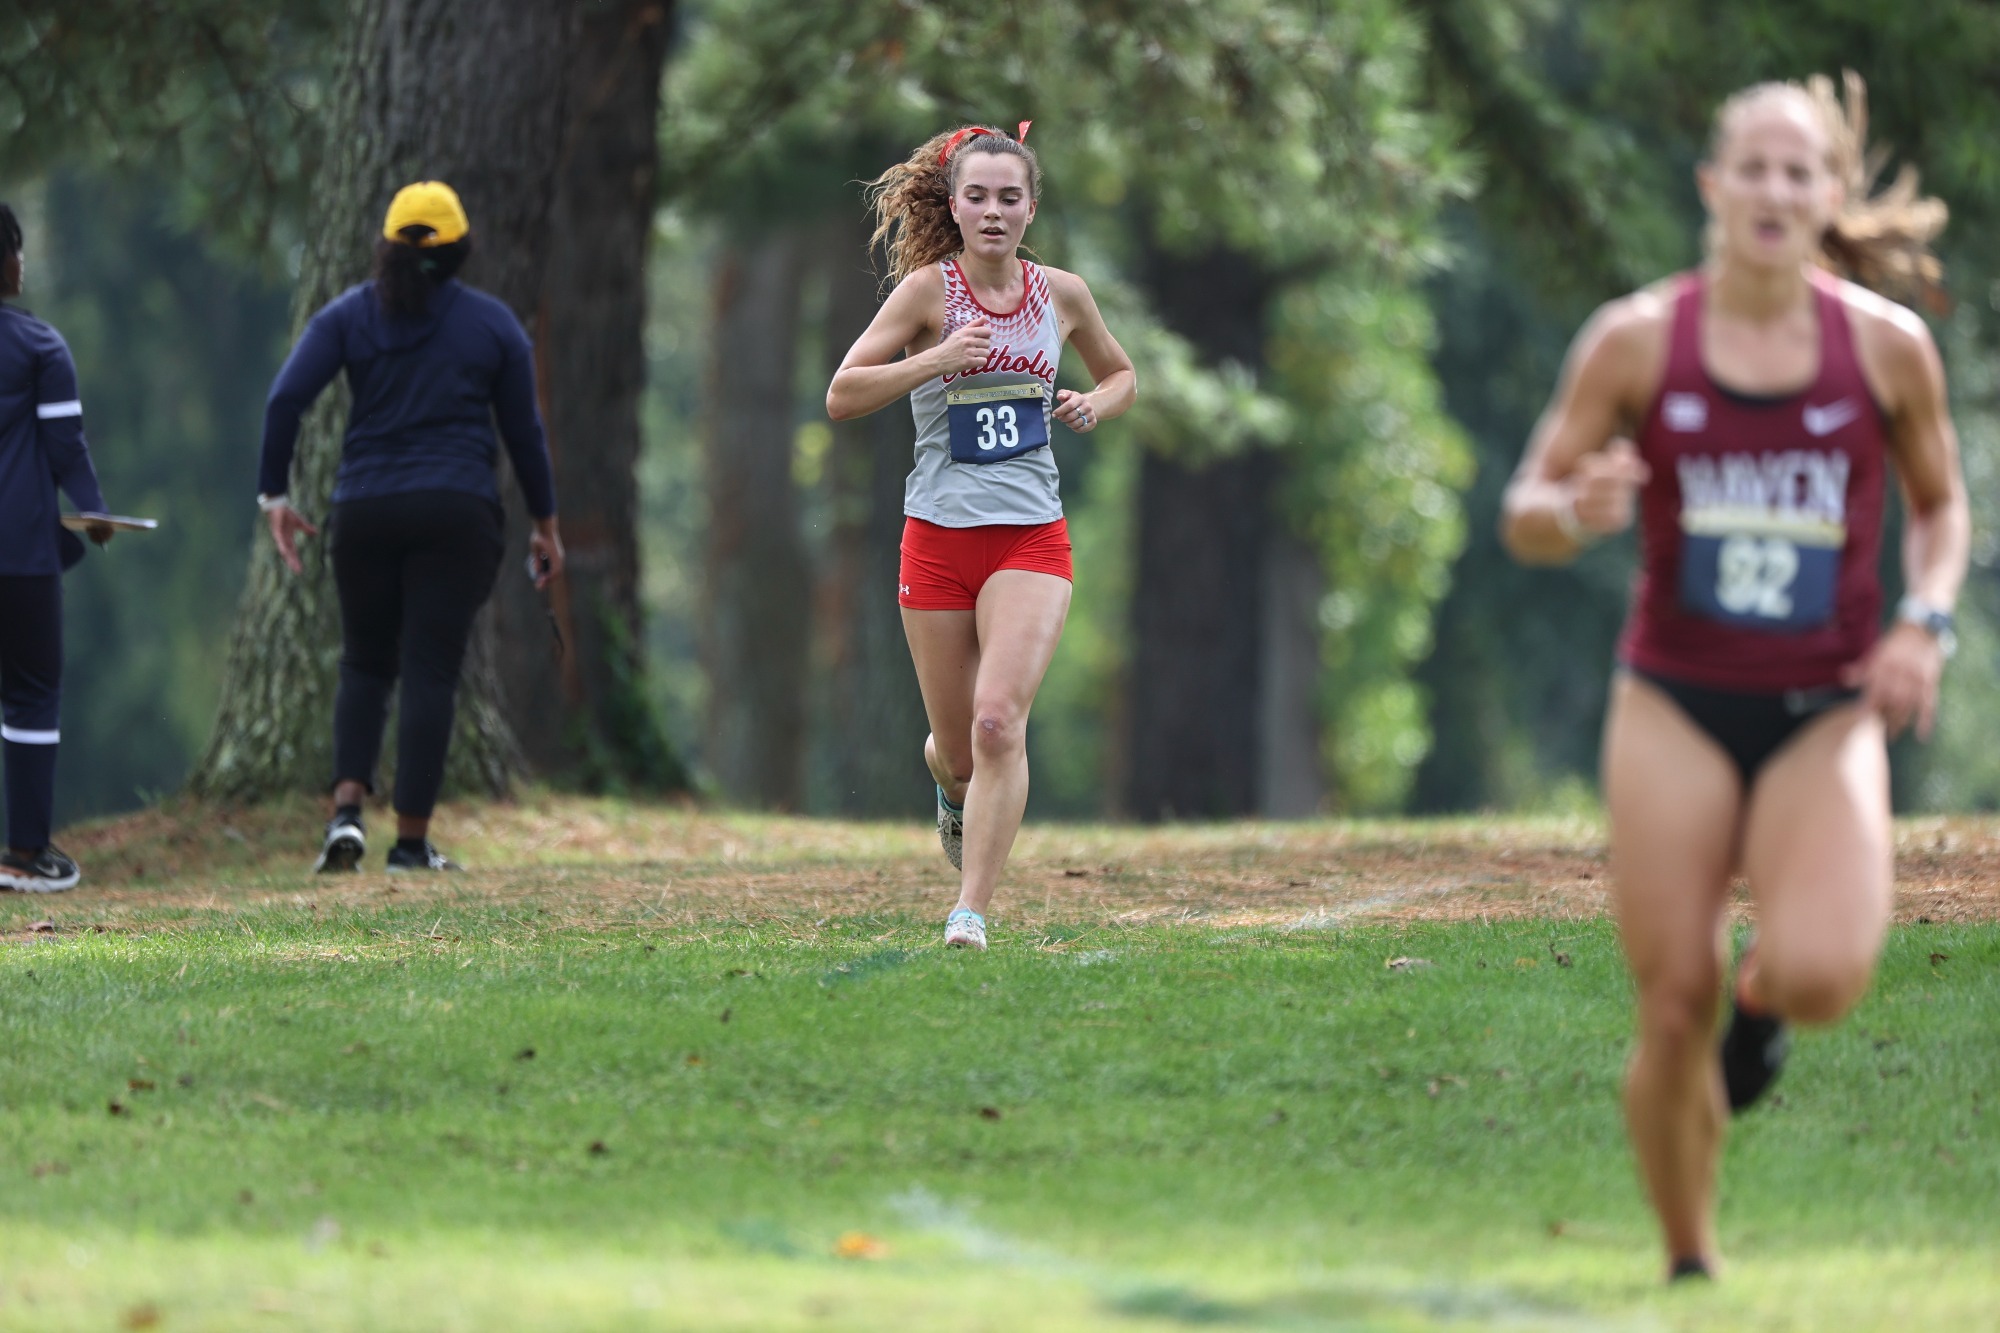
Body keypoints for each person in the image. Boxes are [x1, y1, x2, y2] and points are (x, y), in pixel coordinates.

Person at [1500, 74, 1968, 1280]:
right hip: (1673, 701)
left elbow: (1939, 507)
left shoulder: (1881, 346)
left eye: (1794, 170)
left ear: (1825, 194)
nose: (1770, 190)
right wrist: (1574, 510)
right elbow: (1523, 510)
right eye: (1748, 168)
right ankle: (1687, 1260)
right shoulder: (1637, 338)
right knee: (1670, 998)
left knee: (1817, 971)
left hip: (1823, 710)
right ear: (1710, 187)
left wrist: (1922, 621)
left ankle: (1760, 1009)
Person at [827, 124, 1136, 950]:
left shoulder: (1063, 294)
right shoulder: (927, 293)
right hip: (936, 540)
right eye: (977, 196)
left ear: (1031, 207)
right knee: (961, 752)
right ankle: (946, 779)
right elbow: (843, 393)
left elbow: (1121, 373)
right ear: (954, 207)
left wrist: (1092, 405)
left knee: (1001, 723)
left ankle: (970, 910)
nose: (993, 211)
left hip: (1030, 538)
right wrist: (934, 361)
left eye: (1009, 197)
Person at [258, 181, 563, 873]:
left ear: (386, 248)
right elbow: (525, 435)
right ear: (460, 251)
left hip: (365, 510)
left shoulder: (347, 317)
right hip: (455, 513)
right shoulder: (493, 326)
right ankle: (411, 842)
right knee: (430, 667)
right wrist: (547, 525)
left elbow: (285, 399)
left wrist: (274, 495)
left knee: (365, 660)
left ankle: (343, 817)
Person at [0, 203, 117, 892]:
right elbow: (65, 445)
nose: (22, 262)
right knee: (33, 692)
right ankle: (23, 854)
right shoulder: (39, 347)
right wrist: (95, 512)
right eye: (15, 249)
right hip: (19, 554)